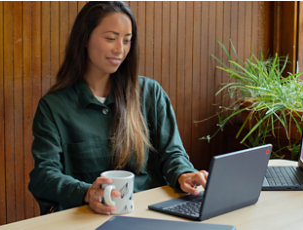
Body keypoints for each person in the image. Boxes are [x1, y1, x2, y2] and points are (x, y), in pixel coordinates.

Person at [28, 1, 208, 215]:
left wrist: (184, 174)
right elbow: (44, 176)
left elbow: (172, 153)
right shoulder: (54, 107)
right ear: (84, 38)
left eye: (127, 40)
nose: (120, 49)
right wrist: (86, 193)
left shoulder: (150, 93)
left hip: (150, 215)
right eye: (111, 38)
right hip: (88, 218)